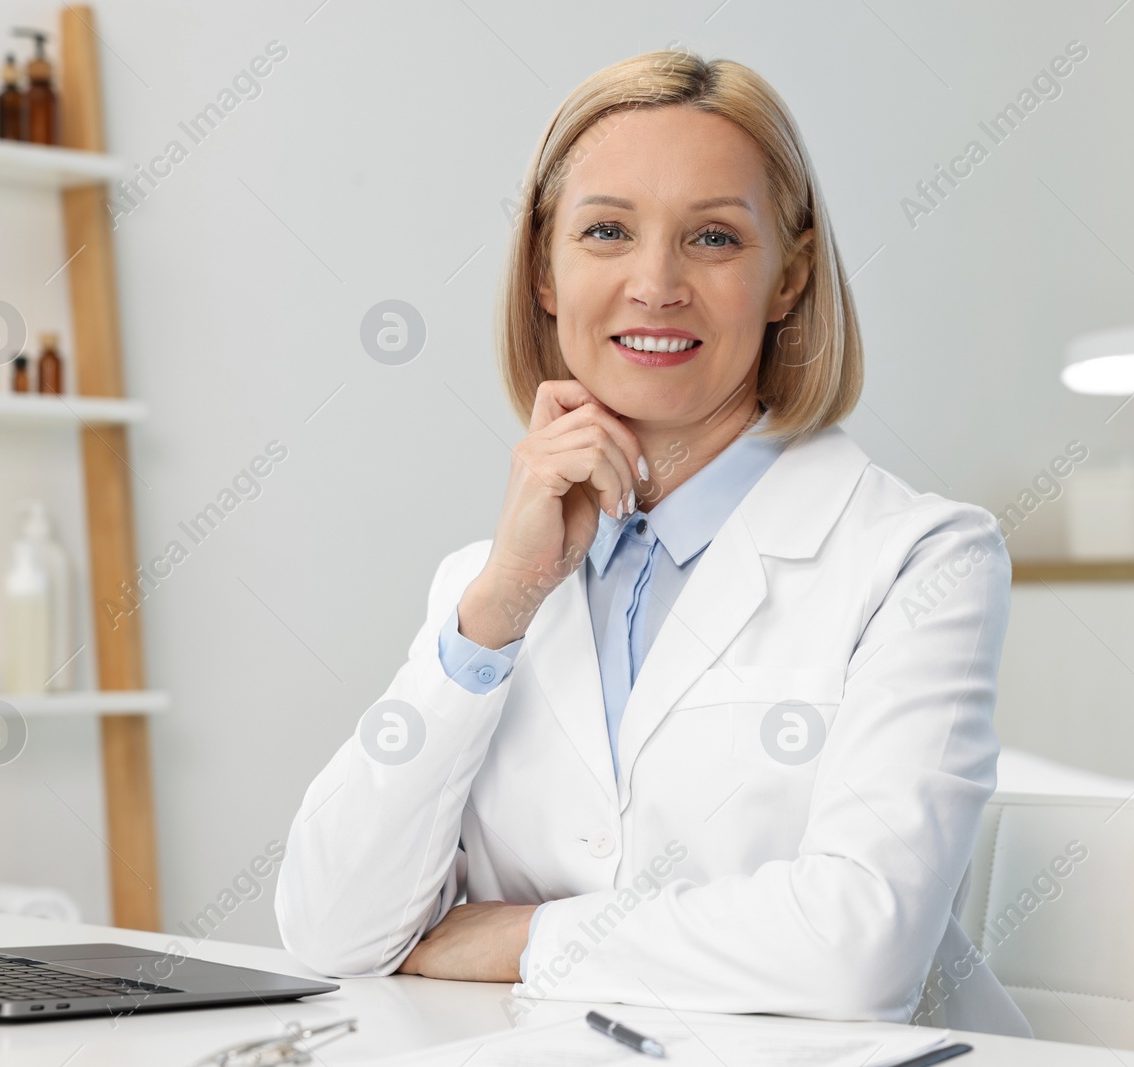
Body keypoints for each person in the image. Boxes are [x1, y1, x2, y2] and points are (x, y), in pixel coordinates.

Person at [276, 47, 1029, 1035]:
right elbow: (329, 928)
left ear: (786, 279)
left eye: (713, 238)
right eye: (605, 231)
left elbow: (858, 948)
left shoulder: (920, 559)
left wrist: (524, 936)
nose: (654, 282)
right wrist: (498, 607)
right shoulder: (486, 583)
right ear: (545, 271)